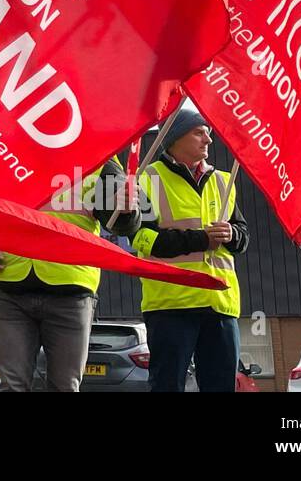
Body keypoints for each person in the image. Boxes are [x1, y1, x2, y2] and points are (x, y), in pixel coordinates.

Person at [0, 159, 140, 391]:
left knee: (64, 386)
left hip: (71, 289)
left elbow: (120, 224)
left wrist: (126, 210)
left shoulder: (100, 155)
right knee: (11, 386)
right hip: (12, 284)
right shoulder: (8, 143)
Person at [132, 109, 250, 392]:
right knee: (167, 386)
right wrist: (201, 239)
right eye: (199, 132)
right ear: (174, 138)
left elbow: (243, 238)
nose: (208, 139)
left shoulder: (224, 180)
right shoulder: (146, 179)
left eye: (207, 131)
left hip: (220, 304)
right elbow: (143, 240)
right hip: (171, 306)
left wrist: (232, 234)